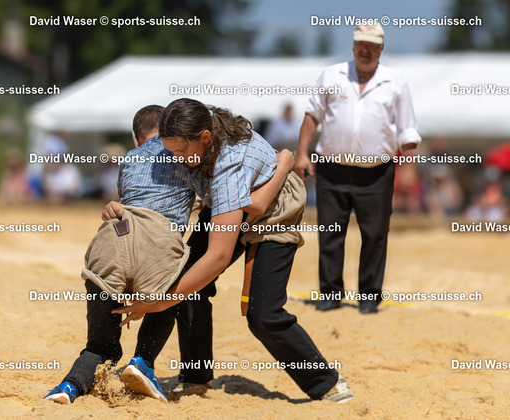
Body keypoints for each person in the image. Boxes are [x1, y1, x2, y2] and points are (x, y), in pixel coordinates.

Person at [44, 105, 293, 405]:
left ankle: (69, 386)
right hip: (157, 248)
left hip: (109, 245)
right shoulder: (189, 159)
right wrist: (282, 165)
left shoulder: (130, 159)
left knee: (99, 346)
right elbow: (231, 199)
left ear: (136, 140)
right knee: (177, 284)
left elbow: (136, 201)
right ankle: (143, 361)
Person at [112, 98, 352, 404]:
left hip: (274, 213)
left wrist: (160, 302)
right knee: (190, 285)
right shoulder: (192, 137)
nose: (176, 159)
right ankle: (196, 376)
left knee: (262, 315)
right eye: (171, 151)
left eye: (181, 152)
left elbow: (222, 252)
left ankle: (327, 383)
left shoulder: (231, 162)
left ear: (205, 138)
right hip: (230, 204)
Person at [293, 23, 422, 314]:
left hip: (377, 173)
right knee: (330, 232)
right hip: (331, 170)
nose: (366, 50)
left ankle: (369, 296)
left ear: (381, 49)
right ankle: (330, 293)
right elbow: (312, 116)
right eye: (361, 44)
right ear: (353, 46)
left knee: (375, 235)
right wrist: (302, 154)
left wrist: (409, 169)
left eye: (372, 46)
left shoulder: (395, 82)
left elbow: (407, 131)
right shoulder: (331, 75)